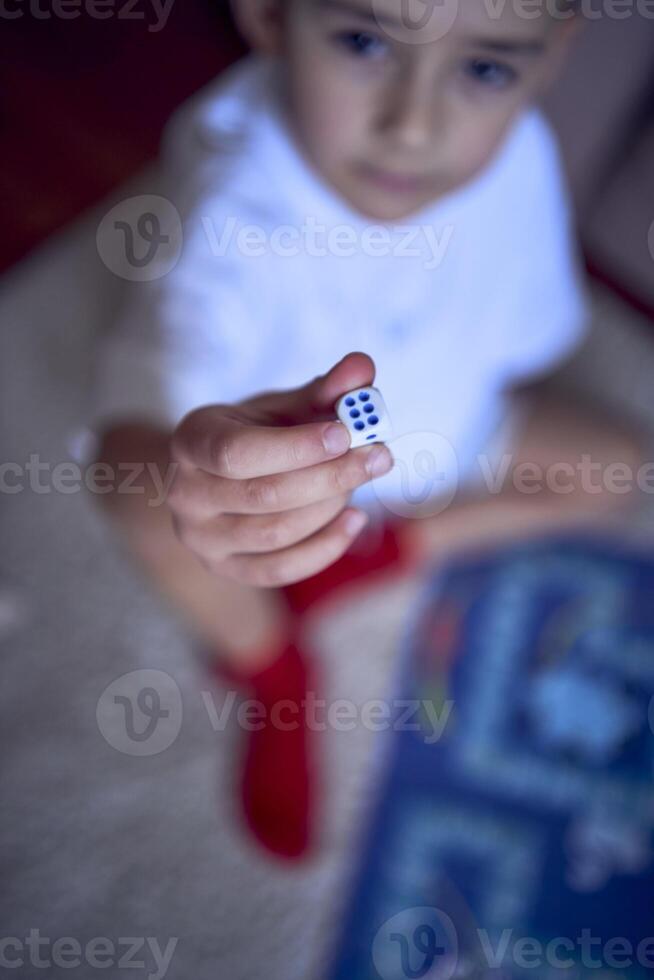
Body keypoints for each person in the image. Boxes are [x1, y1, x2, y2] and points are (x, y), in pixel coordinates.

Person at [85, 0, 645, 859]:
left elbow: (508, 327)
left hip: (442, 424)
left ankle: (374, 554)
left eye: (486, 68)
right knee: (139, 497)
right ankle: (276, 667)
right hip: (278, 456)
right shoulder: (232, 216)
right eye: (364, 42)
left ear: (550, 58)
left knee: (622, 474)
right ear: (270, 16)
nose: (414, 127)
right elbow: (158, 414)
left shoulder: (516, 154)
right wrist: (200, 475)